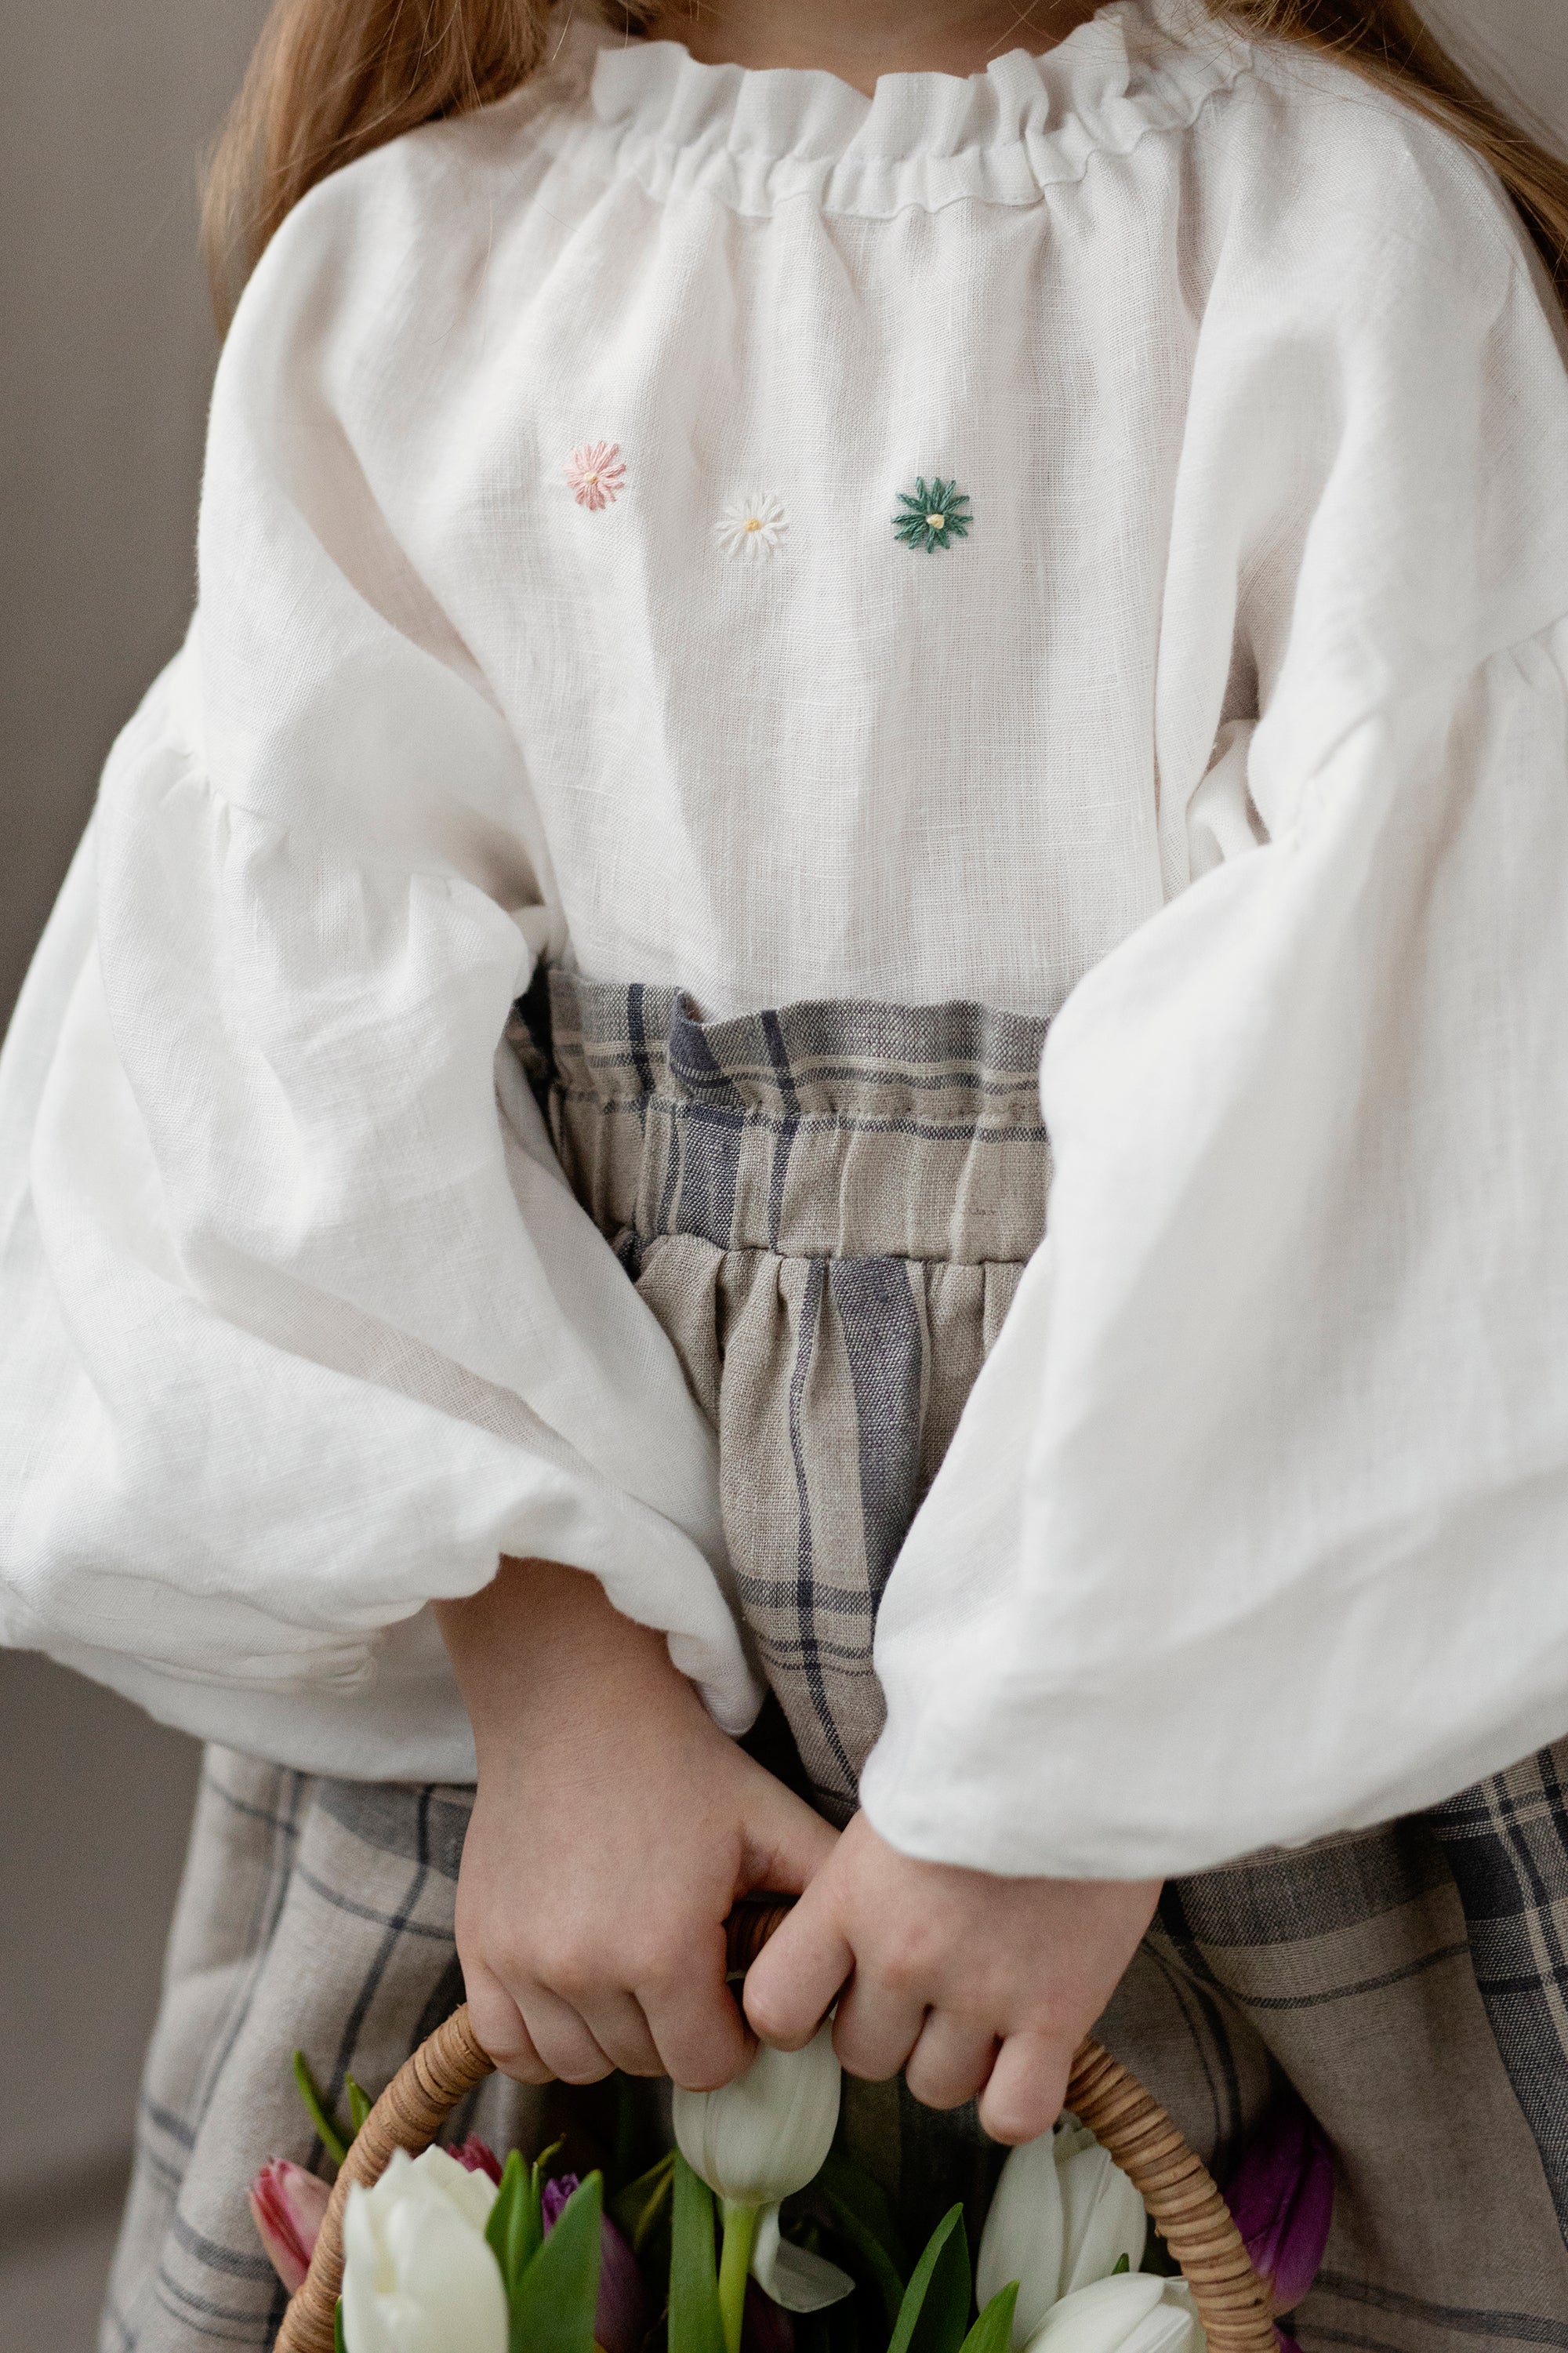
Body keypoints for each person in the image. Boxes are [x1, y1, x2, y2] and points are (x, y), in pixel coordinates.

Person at [5, 0, 1568, 2341]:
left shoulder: (1333, 245)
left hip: (1220, 1719)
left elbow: (1433, 1011)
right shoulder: (407, 282)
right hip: (569, 1783)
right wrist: (549, 1675)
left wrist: (1066, 1764)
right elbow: (261, 1032)